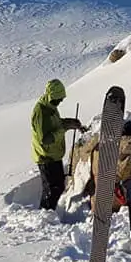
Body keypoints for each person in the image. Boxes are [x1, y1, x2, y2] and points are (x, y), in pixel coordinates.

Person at [31, 79, 85, 210]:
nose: (59, 102)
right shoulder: (41, 112)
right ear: (51, 96)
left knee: (59, 186)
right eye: (57, 99)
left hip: (54, 155)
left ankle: (51, 214)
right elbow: (46, 139)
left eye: (61, 99)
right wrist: (64, 128)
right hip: (46, 157)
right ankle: (45, 216)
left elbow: (55, 124)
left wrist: (69, 123)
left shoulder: (51, 108)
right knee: (52, 191)